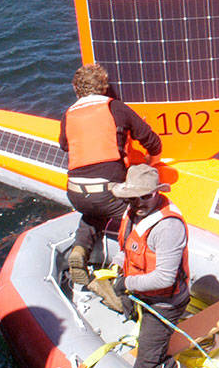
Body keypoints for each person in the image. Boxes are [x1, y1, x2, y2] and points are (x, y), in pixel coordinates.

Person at [58, 63, 163, 295]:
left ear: (76, 90)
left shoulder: (69, 114)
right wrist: (149, 163)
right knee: (136, 220)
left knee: (92, 213)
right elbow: (154, 143)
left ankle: (80, 250)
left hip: (76, 193)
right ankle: (122, 266)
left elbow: (65, 146)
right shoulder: (116, 108)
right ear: (104, 88)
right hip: (109, 191)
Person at [109, 164, 200, 368]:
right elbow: (128, 250)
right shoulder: (132, 215)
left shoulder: (167, 227)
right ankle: (142, 328)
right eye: (133, 198)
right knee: (125, 302)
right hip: (139, 291)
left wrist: (127, 283)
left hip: (164, 303)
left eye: (145, 196)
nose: (139, 203)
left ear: (157, 192)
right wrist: (118, 267)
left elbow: (164, 279)